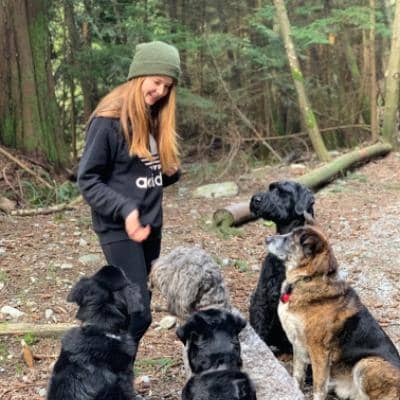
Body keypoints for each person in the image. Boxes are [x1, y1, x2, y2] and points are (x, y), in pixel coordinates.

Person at [77, 41, 181, 397]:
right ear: (138, 76)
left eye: (167, 86)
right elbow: (88, 179)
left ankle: (112, 382)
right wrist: (125, 209)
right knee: (139, 314)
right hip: (119, 227)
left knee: (128, 312)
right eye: (156, 82)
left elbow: (143, 173)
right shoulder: (108, 121)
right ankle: (104, 377)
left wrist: (170, 172)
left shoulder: (154, 115)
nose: (160, 91)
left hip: (149, 226)